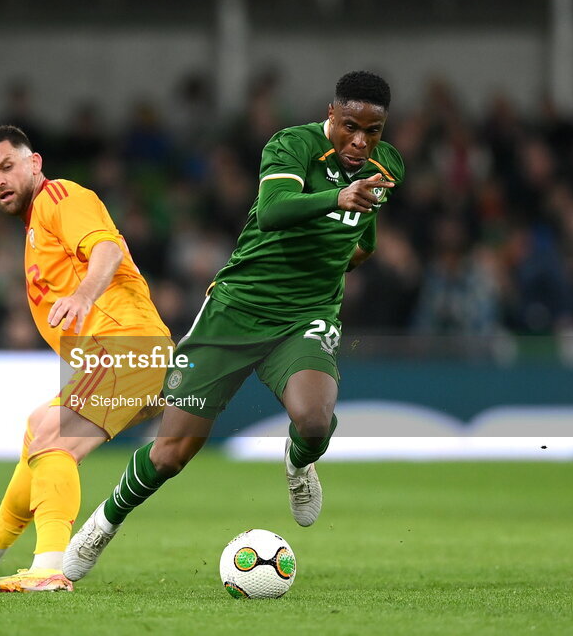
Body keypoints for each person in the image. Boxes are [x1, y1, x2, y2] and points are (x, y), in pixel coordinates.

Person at [62, 71, 404, 582]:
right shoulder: (292, 145)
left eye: (372, 131)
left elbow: (363, 234)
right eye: (350, 126)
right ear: (331, 115)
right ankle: (102, 524)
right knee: (170, 454)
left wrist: (351, 252)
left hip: (304, 317)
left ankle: (298, 460)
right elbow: (272, 212)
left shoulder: (387, 165)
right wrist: (337, 199)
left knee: (314, 420)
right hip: (236, 310)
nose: (360, 140)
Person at [0, 125, 172, 593]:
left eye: (7, 166)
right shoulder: (35, 225)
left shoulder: (60, 196)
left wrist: (81, 296)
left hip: (129, 347)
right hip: (117, 355)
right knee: (40, 428)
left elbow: (106, 250)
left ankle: (49, 567)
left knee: (52, 435)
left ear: (34, 163)